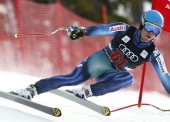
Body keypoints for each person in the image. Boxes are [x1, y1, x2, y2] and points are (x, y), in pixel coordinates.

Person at [10, 10, 170, 100]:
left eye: (157, 30)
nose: (151, 33)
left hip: (113, 74)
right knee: (73, 78)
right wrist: (81, 32)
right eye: (149, 27)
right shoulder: (124, 29)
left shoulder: (153, 54)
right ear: (142, 24)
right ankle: (32, 90)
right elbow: (102, 29)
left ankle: (87, 91)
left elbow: (165, 78)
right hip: (101, 61)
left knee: (128, 79)